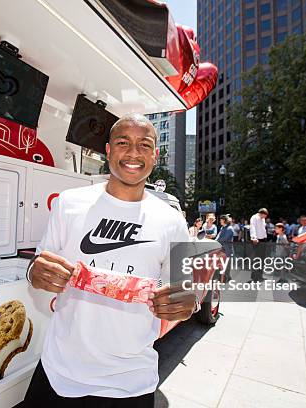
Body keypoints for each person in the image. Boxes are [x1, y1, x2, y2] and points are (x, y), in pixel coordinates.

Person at [24, 113, 194, 407]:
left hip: (130, 381)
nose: (132, 152)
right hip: (59, 370)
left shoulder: (172, 221)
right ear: (108, 150)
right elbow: (40, 263)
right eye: (123, 142)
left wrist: (185, 304)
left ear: (155, 155)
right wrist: (33, 272)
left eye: (144, 145)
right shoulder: (69, 203)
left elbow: (183, 292)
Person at [249, 208, 269, 281]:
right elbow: (252, 227)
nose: (265, 217)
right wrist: (254, 237)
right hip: (257, 240)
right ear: (262, 213)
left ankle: (260, 276)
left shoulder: (262, 219)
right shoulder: (254, 217)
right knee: (256, 259)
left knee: (262, 259)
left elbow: (263, 229)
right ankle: (255, 277)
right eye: (265, 216)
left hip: (263, 240)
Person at [216, 214, 234, 281]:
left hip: (227, 249)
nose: (220, 221)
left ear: (224, 220)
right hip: (221, 248)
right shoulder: (222, 228)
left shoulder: (230, 228)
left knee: (227, 263)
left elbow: (224, 239)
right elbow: (218, 236)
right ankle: (223, 277)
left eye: (221, 220)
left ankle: (227, 277)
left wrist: (217, 241)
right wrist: (215, 241)